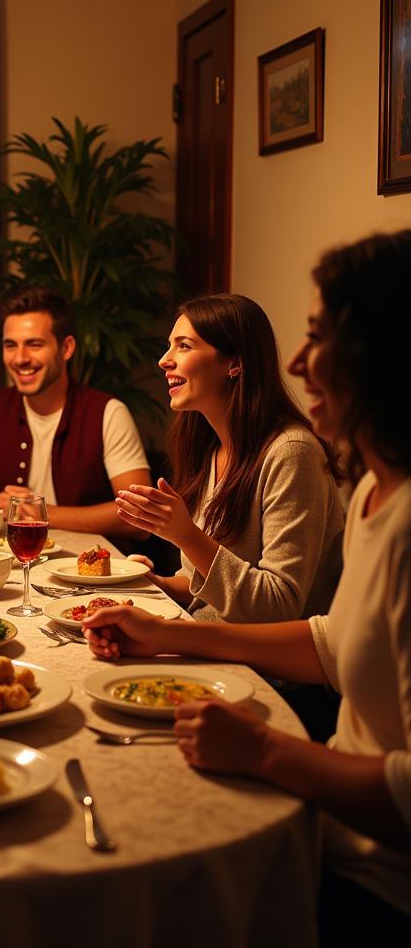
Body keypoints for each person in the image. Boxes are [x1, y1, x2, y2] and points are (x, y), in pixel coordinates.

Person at [83, 231, 411, 938]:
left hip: (375, 877)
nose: (297, 362)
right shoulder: (370, 494)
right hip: (327, 820)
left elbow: (280, 604)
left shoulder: (294, 455)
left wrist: (264, 752)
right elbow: (327, 641)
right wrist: (163, 623)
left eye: (319, 338)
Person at [114, 293, 344, 623]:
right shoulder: (210, 447)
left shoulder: (292, 452)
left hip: (265, 669)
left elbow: (279, 604)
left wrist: (186, 535)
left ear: (235, 363)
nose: (164, 360)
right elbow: (205, 584)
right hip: (208, 638)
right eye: (170, 345)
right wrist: (157, 584)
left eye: (184, 346)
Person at [0, 287, 150, 538]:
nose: (20, 358)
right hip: (12, 560)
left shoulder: (108, 413)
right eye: (10, 345)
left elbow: (139, 516)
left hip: (89, 567)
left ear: (66, 348)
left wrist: (40, 512)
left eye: (34, 344)